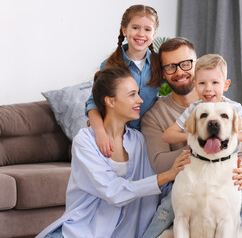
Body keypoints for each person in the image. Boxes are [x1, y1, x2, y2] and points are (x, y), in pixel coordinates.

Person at [37, 67, 190, 238]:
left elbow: (160, 187)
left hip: (125, 232)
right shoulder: (85, 141)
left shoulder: (138, 141)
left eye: (138, 93)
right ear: (110, 101)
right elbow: (113, 192)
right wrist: (168, 175)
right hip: (84, 231)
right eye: (132, 95)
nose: (140, 100)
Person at [141, 38, 242, 238]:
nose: (180, 71)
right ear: (163, 73)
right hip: (187, 176)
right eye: (171, 67)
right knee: (164, 214)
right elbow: (158, 161)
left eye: (185, 64)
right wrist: (196, 147)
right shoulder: (164, 115)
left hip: (226, 173)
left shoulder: (228, 107)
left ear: (195, 64)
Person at [85, 4, 162, 158]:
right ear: (124, 30)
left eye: (147, 29)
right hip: (115, 135)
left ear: (154, 34)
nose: (141, 34)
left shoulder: (159, 63)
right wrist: (100, 133)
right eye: (135, 28)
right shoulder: (111, 64)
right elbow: (93, 103)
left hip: (146, 137)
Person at [162, 53, 242, 145]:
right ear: (195, 86)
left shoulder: (234, 108)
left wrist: (228, 135)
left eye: (215, 82)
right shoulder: (194, 109)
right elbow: (167, 135)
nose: (208, 89)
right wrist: (194, 137)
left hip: (228, 162)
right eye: (202, 83)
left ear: (225, 85)